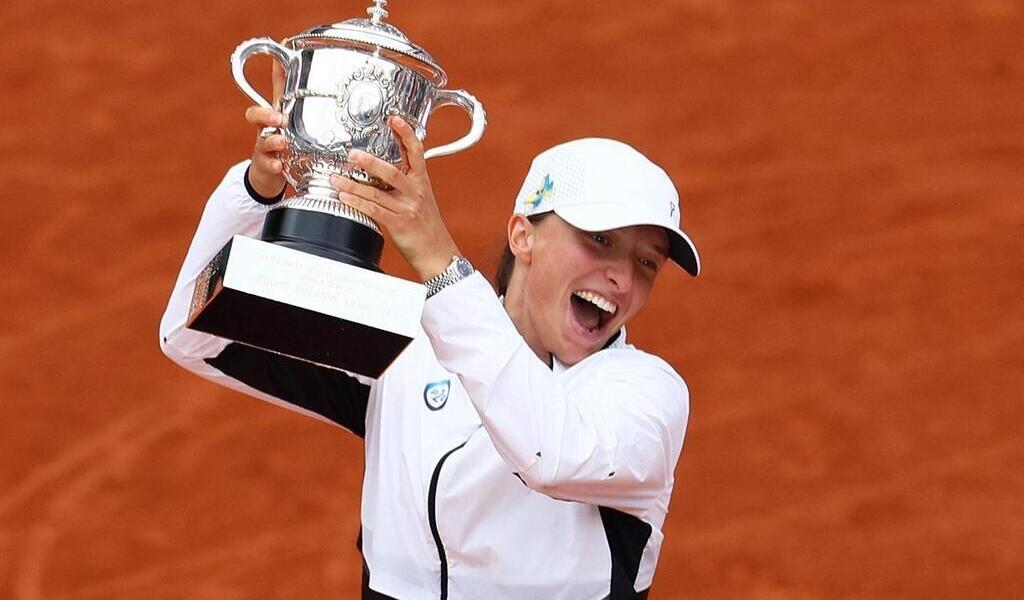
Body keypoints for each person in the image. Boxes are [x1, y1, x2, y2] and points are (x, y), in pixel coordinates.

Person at [160, 103, 701, 598]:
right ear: (523, 235)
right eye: (600, 241)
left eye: (646, 263)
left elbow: (549, 454)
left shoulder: (645, 398)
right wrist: (256, 194)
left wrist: (441, 263)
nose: (621, 278)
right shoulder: (408, 343)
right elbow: (196, 332)